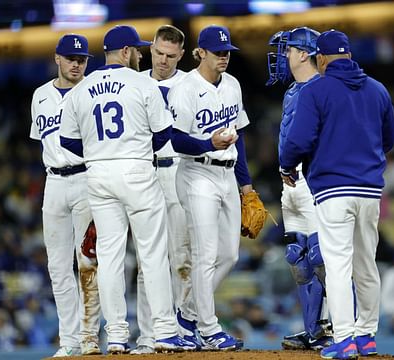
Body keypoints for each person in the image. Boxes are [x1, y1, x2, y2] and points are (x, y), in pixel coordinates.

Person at [58, 25, 197, 355]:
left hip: (99, 174)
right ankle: (164, 331)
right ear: (124, 52)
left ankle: (117, 335)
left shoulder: (81, 88)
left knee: (110, 258)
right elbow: (164, 133)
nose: (140, 54)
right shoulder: (142, 82)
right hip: (136, 169)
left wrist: (98, 152)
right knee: (151, 253)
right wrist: (136, 149)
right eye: (136, 49)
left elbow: (66, 140)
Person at [279, 30, 394, 358]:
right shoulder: (378, 89)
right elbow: (388, 139)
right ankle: (366, 336)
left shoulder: (317, 89)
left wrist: (287, 166)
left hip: (333, 190)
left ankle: (344, 340)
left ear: (321, 59)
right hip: (370, 191)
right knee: (366, 265)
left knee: (338, 267)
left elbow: (298, 140)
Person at [168, 24, 254, 351]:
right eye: (218, 52)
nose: (224, 57)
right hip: (196, 173)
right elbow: (176, 139)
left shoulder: (232, 84)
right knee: (204, 255)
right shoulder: (185, 88)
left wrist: (245, 185)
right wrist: (208, 142)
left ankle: (187, 314)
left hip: (227, 174)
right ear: (200, 52)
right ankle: (209, 329)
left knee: (229, 255)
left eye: (227, 52)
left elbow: (240, 136)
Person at [29, 33, 102, 357]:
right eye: (71, 58)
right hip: (54, 183)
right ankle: (68, 342)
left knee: (88, 263)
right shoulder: (40, 95)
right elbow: (43, 142)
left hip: (87, 179)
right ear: (57, 58)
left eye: (82, 59)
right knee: (58, 268)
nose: (76, 63)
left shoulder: (93, 91)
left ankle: (89, 339)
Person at [266, 27, 333, 350]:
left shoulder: (325, 89)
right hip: (288, 183)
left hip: (313, 180)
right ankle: (313, 331)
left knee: (322, 259)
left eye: (288, 50)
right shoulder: (292, 91)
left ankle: (335, 327)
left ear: (304, 53)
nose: (283, 57)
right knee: (298, 259)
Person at [133, 24, 198, 355]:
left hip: (178, 172)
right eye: (158, 53)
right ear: (150, 49)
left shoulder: (190, 84)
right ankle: (148, 336)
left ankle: (182, 329)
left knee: (182, 259)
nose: (163, 60)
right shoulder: (135, 82)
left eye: (170, 55)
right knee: (148, 260)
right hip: (144, 176)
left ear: (181, 55)